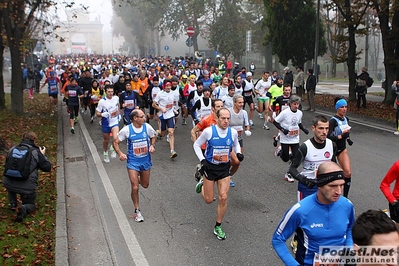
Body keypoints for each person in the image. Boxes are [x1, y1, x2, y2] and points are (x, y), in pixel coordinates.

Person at [272, 161, 355, 266]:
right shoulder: (300, 210)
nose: (339, 191)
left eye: (341, 185)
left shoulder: (347, 205)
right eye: (332, 186)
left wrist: (348, 252)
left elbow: (350, 228)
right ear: (320, 184)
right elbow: (278, 239)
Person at [193, 108, 244, 240]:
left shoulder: (232, 132)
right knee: (209, 200)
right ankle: (203, 183)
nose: (226, 121)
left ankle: (218, 226)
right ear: (217, 118)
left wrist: (238, 153)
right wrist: (202, 160)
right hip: (210, 168)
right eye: (223, 118)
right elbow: (197, 145)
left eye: (228, 118)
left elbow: (236, 144)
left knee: (223, 197)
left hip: (224, 169)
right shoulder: (209, 131)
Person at [113, 109, 157, 222]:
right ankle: (137, 211)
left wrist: (152, 145)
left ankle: (138, 178)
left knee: (145, 184)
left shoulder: (147, 127)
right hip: (133, 162)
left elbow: (153, 136)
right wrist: (121, 154)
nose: (144, 118)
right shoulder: (127, 130)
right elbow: (115, 142)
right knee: (135, 187)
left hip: (145, 161)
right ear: (135, 118)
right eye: (142, 116)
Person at [3, 131, 52, 222]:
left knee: (11, 186)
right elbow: (47, 167)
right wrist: (42, 155)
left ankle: (13, 204)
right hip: (26, 187)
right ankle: (24, 208)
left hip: (8, 183)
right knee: (31, 205)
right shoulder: (35, 152)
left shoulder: (12, 149)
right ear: (34, 140)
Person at [289, 114, 337, 201]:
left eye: (327, 128)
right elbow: (292, 168)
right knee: (306, 214)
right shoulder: (305, 147)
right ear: (313, 128)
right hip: (308, 187)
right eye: (321, 128)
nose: (324, 132)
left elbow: (334, 166)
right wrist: (304, 180)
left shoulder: (331, 145)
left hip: (325, 186)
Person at [273, 95, 309, 183]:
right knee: (285, 158)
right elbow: (275, 122)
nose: (296, 106)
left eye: (298, 104)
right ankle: (280, 150)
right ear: (290, 104)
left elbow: (299, 123)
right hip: (285, 138)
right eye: (294, 104)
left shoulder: (300, 113)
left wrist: (304, 129)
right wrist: (283, 130)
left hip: (295, 138)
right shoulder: (285, 113)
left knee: (296, 156)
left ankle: (289, 173)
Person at [328, 97, 353, 198]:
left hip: (342, 148)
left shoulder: (346, 119)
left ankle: (345, 197)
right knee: (333, 176)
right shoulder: (332, 121)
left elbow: (346, 130)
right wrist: (339, 136)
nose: (344, 109)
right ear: (337, 108)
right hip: (332, 149)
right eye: (342, 107)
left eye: (346, 107)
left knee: (347, 173)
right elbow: (327, 136)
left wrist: (348, 138)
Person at [152, 80, 180, 159]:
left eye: (169, 86)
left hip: (170, 115)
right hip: (162, 116)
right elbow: (153, 104)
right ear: (164, 86)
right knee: (162, 134)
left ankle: (172, 151)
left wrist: (174, 110)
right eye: (167, 86)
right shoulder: (160, 94)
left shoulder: (173, 93)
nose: (168, 87)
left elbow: (172, 104)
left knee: (171, 132)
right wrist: (161, 108)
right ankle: (157, 134)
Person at [228, 95, 251, 186]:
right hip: (229, 140)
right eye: (239, 102)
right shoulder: (229, 112)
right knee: (233, 160)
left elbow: (246, 124)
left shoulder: (244, 113)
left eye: (242, 102)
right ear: (234, 103)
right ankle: (226, 175)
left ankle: (228, 175)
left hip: (239, 139)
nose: (242, 104)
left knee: (238, 161)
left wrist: (247, 130)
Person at [96, 85, 121, 163]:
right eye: (109, 92)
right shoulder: (102, 102)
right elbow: (97, 112)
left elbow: (118, 105)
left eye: (112, 91)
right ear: (105, 92)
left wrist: (119, 113)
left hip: (114, 122)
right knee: (106, 140)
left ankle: (113, 148)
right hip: (106, 123)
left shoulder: (116, 98)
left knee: (116, 138)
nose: (110, 93)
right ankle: (105, 152)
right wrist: (102, 115)